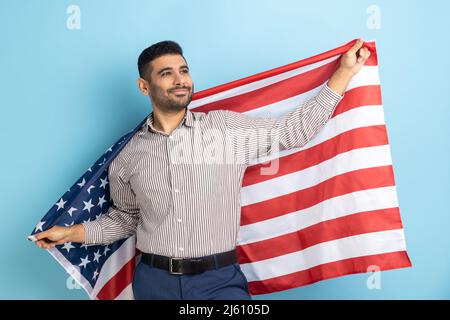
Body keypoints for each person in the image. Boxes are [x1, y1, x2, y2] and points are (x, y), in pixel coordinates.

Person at [32, 38, 371, 300]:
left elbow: (292, 131)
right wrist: (70, 233)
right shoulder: (129, 155)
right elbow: (126, 218)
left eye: (184, 70)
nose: (180, 80)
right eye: (167, 73)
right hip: (153, 281)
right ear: (144, 86)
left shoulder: (223, 130)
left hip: (218, 281)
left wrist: (343, 72)